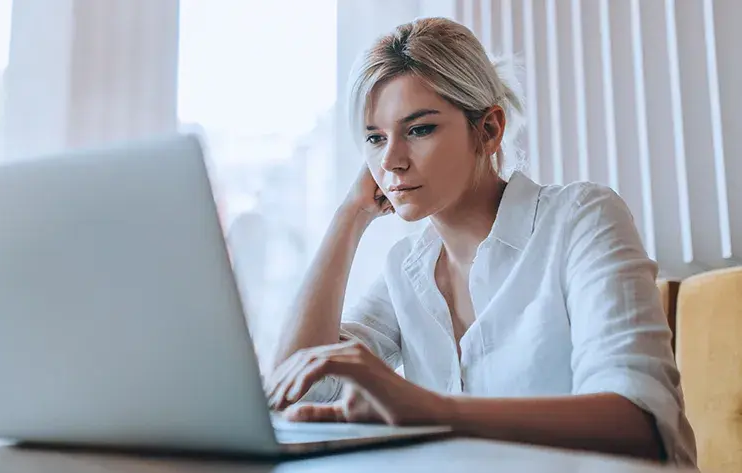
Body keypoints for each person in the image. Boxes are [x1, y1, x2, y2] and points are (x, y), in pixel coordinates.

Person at [264, 17, 696, 465]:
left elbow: (640, 426)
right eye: (375, 138)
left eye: (419, 129)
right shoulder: (407, 269)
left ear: (488, 130)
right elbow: (298, 386)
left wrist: (426, 410)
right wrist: (349, 216)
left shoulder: (581, 219)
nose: (390, 161)